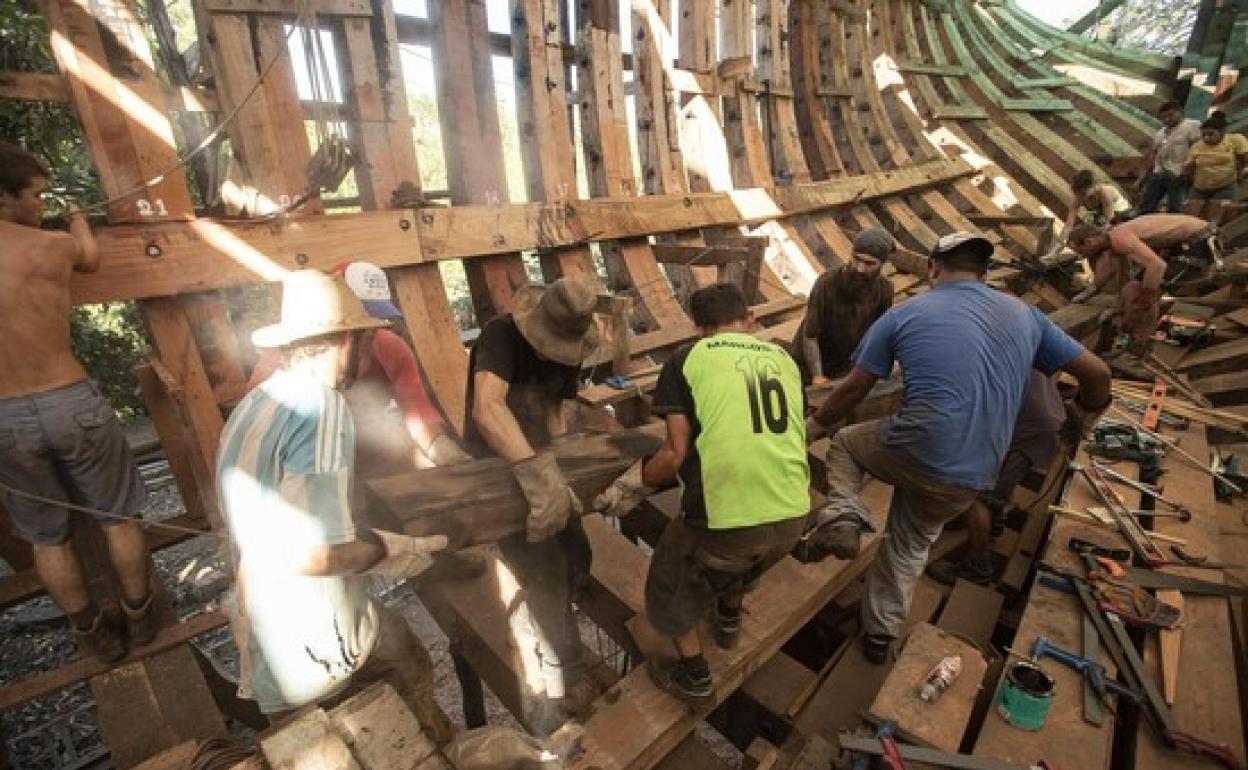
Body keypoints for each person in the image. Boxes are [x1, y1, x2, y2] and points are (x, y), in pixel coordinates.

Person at [807, 232, 1111, 663]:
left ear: (933, 268)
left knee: (845, 444)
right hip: (976, 472)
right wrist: (1081, 416)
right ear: (984, 274)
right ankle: (879, 636)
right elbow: (1097, 374)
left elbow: (855, 389)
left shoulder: (904, 313)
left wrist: (812, 426)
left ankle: (843, 514)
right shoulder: (1026, 315)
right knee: (910, 544)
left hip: (915, 445)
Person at [216, 269, 453, 738]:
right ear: (347, 342)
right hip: (311, 640)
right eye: (364, 340)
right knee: (382, 721)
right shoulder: (322, 409)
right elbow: (312, 555)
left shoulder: (255, 402)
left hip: (260, 622)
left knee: (399, 653)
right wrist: (392, 550)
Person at [0, 142, 153, 663]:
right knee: (119, 517)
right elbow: (89, 257)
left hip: (6, 418)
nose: (40, 205)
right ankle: (139, 615)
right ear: (4, 197)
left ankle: (92, 634)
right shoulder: (52, 247)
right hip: (69, 400)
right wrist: (79, 219)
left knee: (46, 535)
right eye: (36, 195)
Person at [633, 283, 808, 705]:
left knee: (667, 584)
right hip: (794, 512)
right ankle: (727, 620)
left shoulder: (686, 359)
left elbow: (674, 455)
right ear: (749, 317)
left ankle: (694, 676)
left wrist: (637, 482)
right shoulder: (784, 358)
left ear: (698, 328)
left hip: (728, 517)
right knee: (747, 559)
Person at [462, 277, 601, 720]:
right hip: (497, 466)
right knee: (545, 571)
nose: (551, 353)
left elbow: (557, 411)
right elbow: (487, 409)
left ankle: (550, 622)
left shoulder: (574, 343)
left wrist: (564, 466)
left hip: (540, 458)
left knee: (579, 556)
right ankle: (566, 676)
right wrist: (536, 472)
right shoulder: (500, 335)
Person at [247, 260, 472, 475]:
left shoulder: (392, 348)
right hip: (302, 463)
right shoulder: (278, 367)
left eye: (373, 325)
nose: (369, 335)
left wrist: (438, 446)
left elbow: (416, 410)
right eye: (360, 328)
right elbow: (258, 439)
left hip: (373, 460)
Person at [926, 371, 1065, 586]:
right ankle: (994, 524)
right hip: (1045, 424)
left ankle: (978, 567)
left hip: (1028, 432)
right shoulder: (1018, 343)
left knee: (976, 497)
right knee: (997, 484)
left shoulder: (986, 356)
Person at [1068, 214, 1215, 354]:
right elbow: (1109, 272)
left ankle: (1138, 349)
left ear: (1089, 242)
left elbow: (1157, 267)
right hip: (1185, 241)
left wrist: (1140, 306)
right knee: (1134, 289)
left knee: (1142, 294)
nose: (1082, 256)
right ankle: (1137, 342)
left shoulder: (1119, 239)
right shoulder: (1111, 238)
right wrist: (1091, 296)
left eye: (1081, 250)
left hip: (1198, 240)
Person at [790, 228, 895, 386]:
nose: (860, 268)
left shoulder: (885, 290)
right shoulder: (826, 283)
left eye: (869, 263)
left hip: (844, 368)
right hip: (805, 367)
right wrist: (817, 375)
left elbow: (877, 336)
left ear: (882, 264)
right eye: (856, 259)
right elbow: (810, 335)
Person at [1137, 101, 1201, 215]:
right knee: (1147, 202)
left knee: (1176, 206)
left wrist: (1190, 170)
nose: (1167, 120)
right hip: (1159, 171)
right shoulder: (1160, 132)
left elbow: (1197, 148)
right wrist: (1147, 172)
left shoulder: (1192, 125)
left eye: (1170, 116)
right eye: (1163, 117)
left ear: (1180, 113)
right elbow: (1156, 153)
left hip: (1179, 172)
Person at [1183, 117, 1248, 226]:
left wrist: (1241, 173)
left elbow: (1243, 158)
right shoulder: (1197, 146)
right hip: (1200, 187)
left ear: (1222, 132)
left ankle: (1210, 238)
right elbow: (1189, 166)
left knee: (1213, 221)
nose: (1207, 138)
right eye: (1203, 135)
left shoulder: (1234, 140)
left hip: (1224, 186)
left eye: (1211, 134)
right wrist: (1187, 176)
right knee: (1190, 217)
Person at [1056, 170, 1131, 247]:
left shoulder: (1105, 193)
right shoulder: (1078, 198)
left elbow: (1110, 221)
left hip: (1121, 217)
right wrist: (1058, 245)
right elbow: (1069, 225)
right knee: (1077, 235)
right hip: (1102, 220)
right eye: (1079, 194)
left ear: (1093, 186)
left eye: (1084, 193)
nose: (1082, 197)